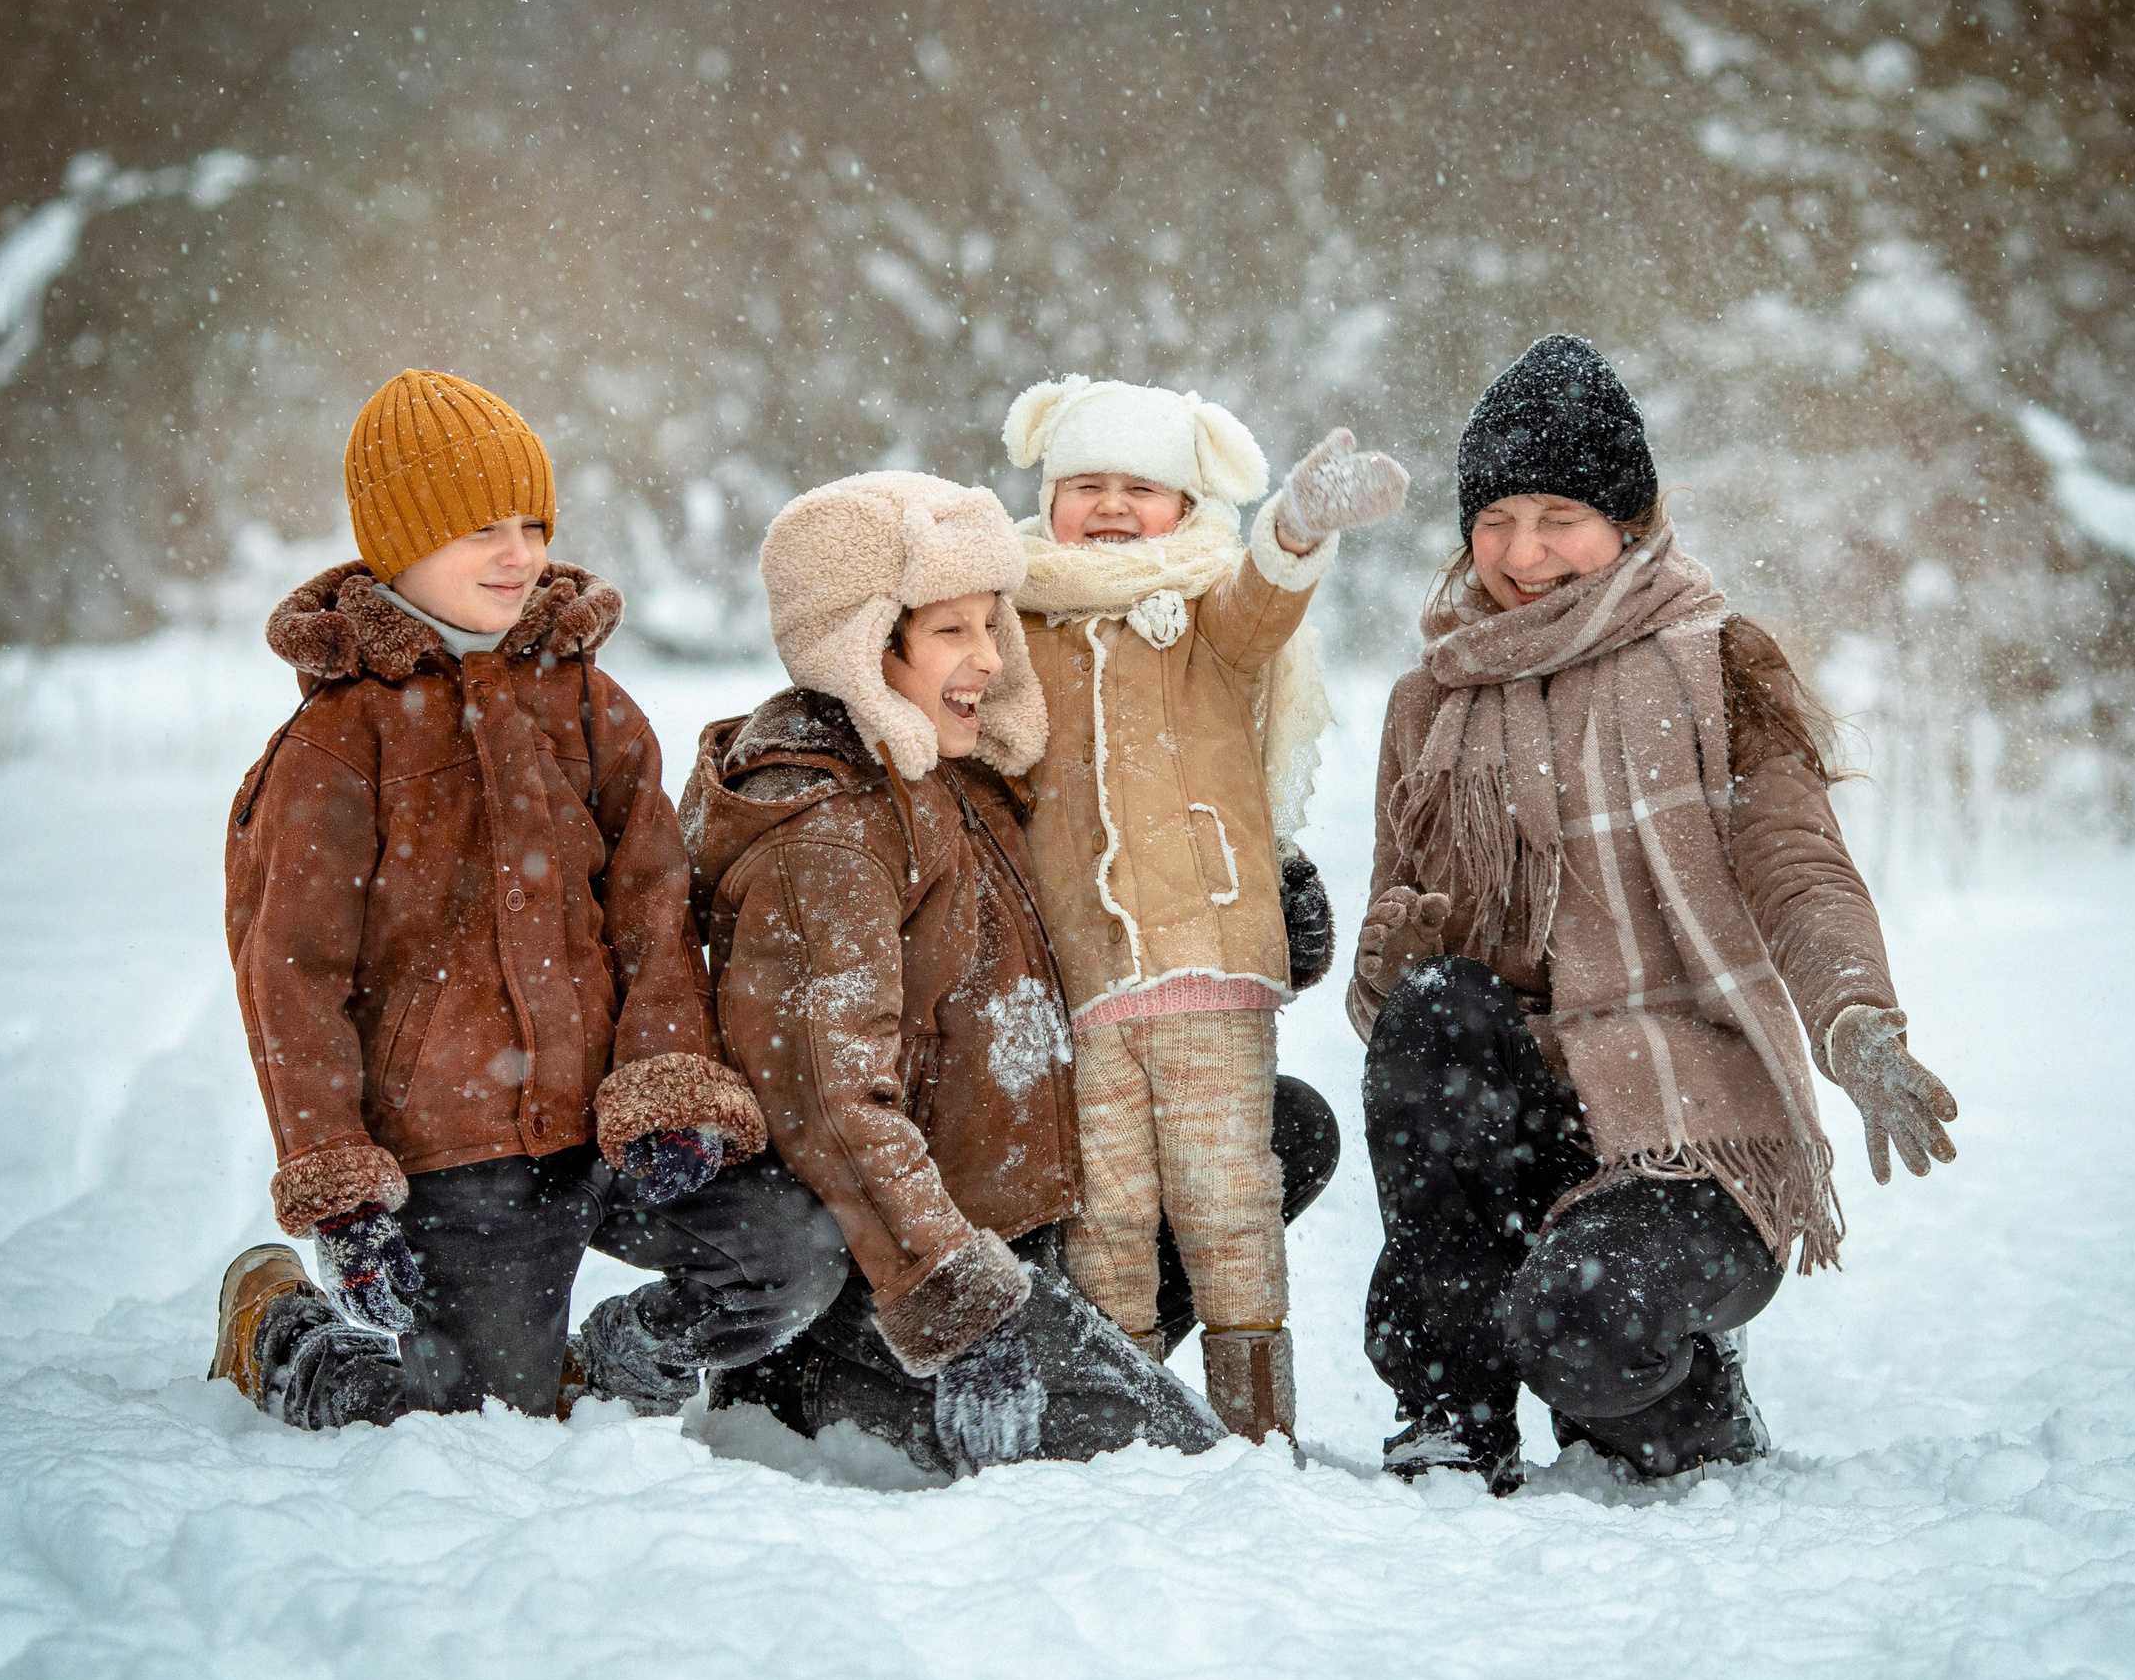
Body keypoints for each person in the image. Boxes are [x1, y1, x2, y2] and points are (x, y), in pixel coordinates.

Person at [1352, 335, 1963, 1492]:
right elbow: (1392, 985)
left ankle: (1675, 1388)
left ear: (1628, 521)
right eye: (1494, 521)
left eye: (1558, 517)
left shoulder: (1714, 662)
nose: (1522, 554)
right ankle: (1447, 1411)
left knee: (1583, 1330)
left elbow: (1796, 865)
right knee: (1437, 1008)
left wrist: (1854, 1022)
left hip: (1691, 1130)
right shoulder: (1430, 704)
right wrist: (1393, 959)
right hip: (1530, 1117)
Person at [206, 370, 845, 1429]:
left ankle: (602, 1369)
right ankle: (284, 1332)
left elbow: (653, 913)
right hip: (456, 1151)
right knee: (454, 1428)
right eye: (480, 531)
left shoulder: (590, 706)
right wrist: (344, 1191)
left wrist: (666, 1086)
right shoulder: (337, 744)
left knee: (793, 1258)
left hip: (605, 1126)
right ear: (400, 543)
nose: (520, 554)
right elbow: (290, 977)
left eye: (534, 522)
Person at [683, 470, 1229, 1477]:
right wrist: (959, 1303)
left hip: (1016, 1220)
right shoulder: (831, 836)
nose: (987, 657)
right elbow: (831, 1105)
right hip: (906, 1277)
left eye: (991, 623)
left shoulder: (947, 770)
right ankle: (826, 1389)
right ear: (861, 643)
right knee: (1190, 1467)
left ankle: (1079, 1357)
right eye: (950, 632)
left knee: (1275, 1130)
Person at [997, 376, 1409, 1440]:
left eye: (1141, 486)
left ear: (1187, 501)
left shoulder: (1206, 614)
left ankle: (1257, 1423)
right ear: (1047, 493)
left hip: (1206, 955)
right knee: (1108, 1214)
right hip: (1074, 971)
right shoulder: (1016, 620)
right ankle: (1116, 1418)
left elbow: (1263, 600)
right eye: (1084, 483)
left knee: (1227, 1197)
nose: (1111, 505)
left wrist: (1296, 528)